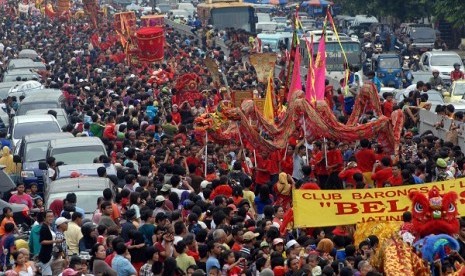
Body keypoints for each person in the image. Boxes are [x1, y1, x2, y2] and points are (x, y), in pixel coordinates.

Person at [38, 210, 62, 276]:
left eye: (52, 216)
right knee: (47, 273)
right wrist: (55, 241)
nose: (51, 218)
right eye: (48, 216)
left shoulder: (49, 226)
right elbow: (42, 241)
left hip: (51, 253)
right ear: (44, 218)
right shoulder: (44, 228)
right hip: (46, 254)